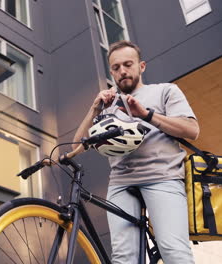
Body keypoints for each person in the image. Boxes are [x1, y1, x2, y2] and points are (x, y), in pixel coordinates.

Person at [72, 40, 198, 264]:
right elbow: (76, 147)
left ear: (142, 66)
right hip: (121, 182)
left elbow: (192, 130)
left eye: (128, 64)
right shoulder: (106, 106)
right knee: (123, 258)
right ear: (111, 72)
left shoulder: (165, 91)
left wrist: (147, 115)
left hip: (163, 178)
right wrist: (94, 109)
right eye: (116, 67)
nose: (122, 71)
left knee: (173, 251)